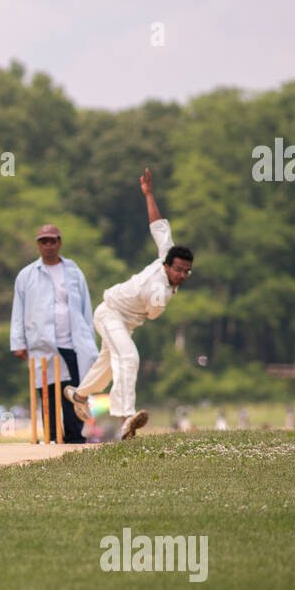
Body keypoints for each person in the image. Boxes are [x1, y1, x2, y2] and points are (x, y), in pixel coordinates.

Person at [64, 168, 193, 440]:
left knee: (108, 368)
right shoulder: (160, 292)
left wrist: (148, 194)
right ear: (167, 265)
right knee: (129, 357)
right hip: (110, 313)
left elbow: (157, 225)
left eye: (186, 271)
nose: (181, 275)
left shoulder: (166, 254)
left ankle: (79, 394)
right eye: (178, 270)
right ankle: (125, 419)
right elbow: (154, 314)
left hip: (126, 323)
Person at [9, 224, 98, 443]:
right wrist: (18, 342)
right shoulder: (27, 275)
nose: (48, 245)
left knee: (74, 394)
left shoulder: (74, 272)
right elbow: (18, 310)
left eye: (52, 241)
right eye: (43, 241)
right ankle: (50, 438)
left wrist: (89, 340)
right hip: (42, 343)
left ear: (60, 242)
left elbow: (85, 308)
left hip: (72, 343)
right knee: (47, 395)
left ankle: (74, 439)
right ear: (38, 244)